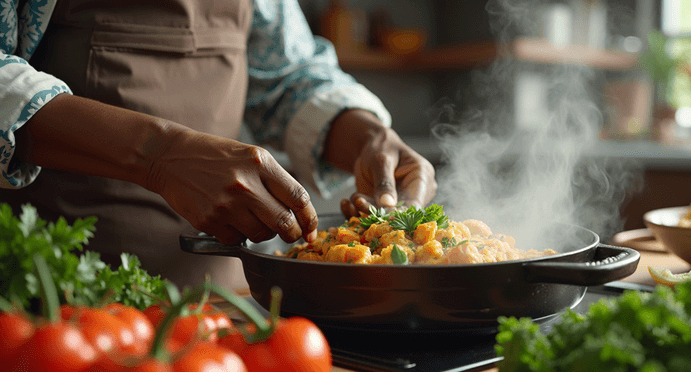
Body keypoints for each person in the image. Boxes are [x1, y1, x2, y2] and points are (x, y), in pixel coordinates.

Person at [0, 0, 437, 289]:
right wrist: (160, 156)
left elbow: (289, 75)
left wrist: (366, 134)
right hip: (55, 294)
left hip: (220, 300)